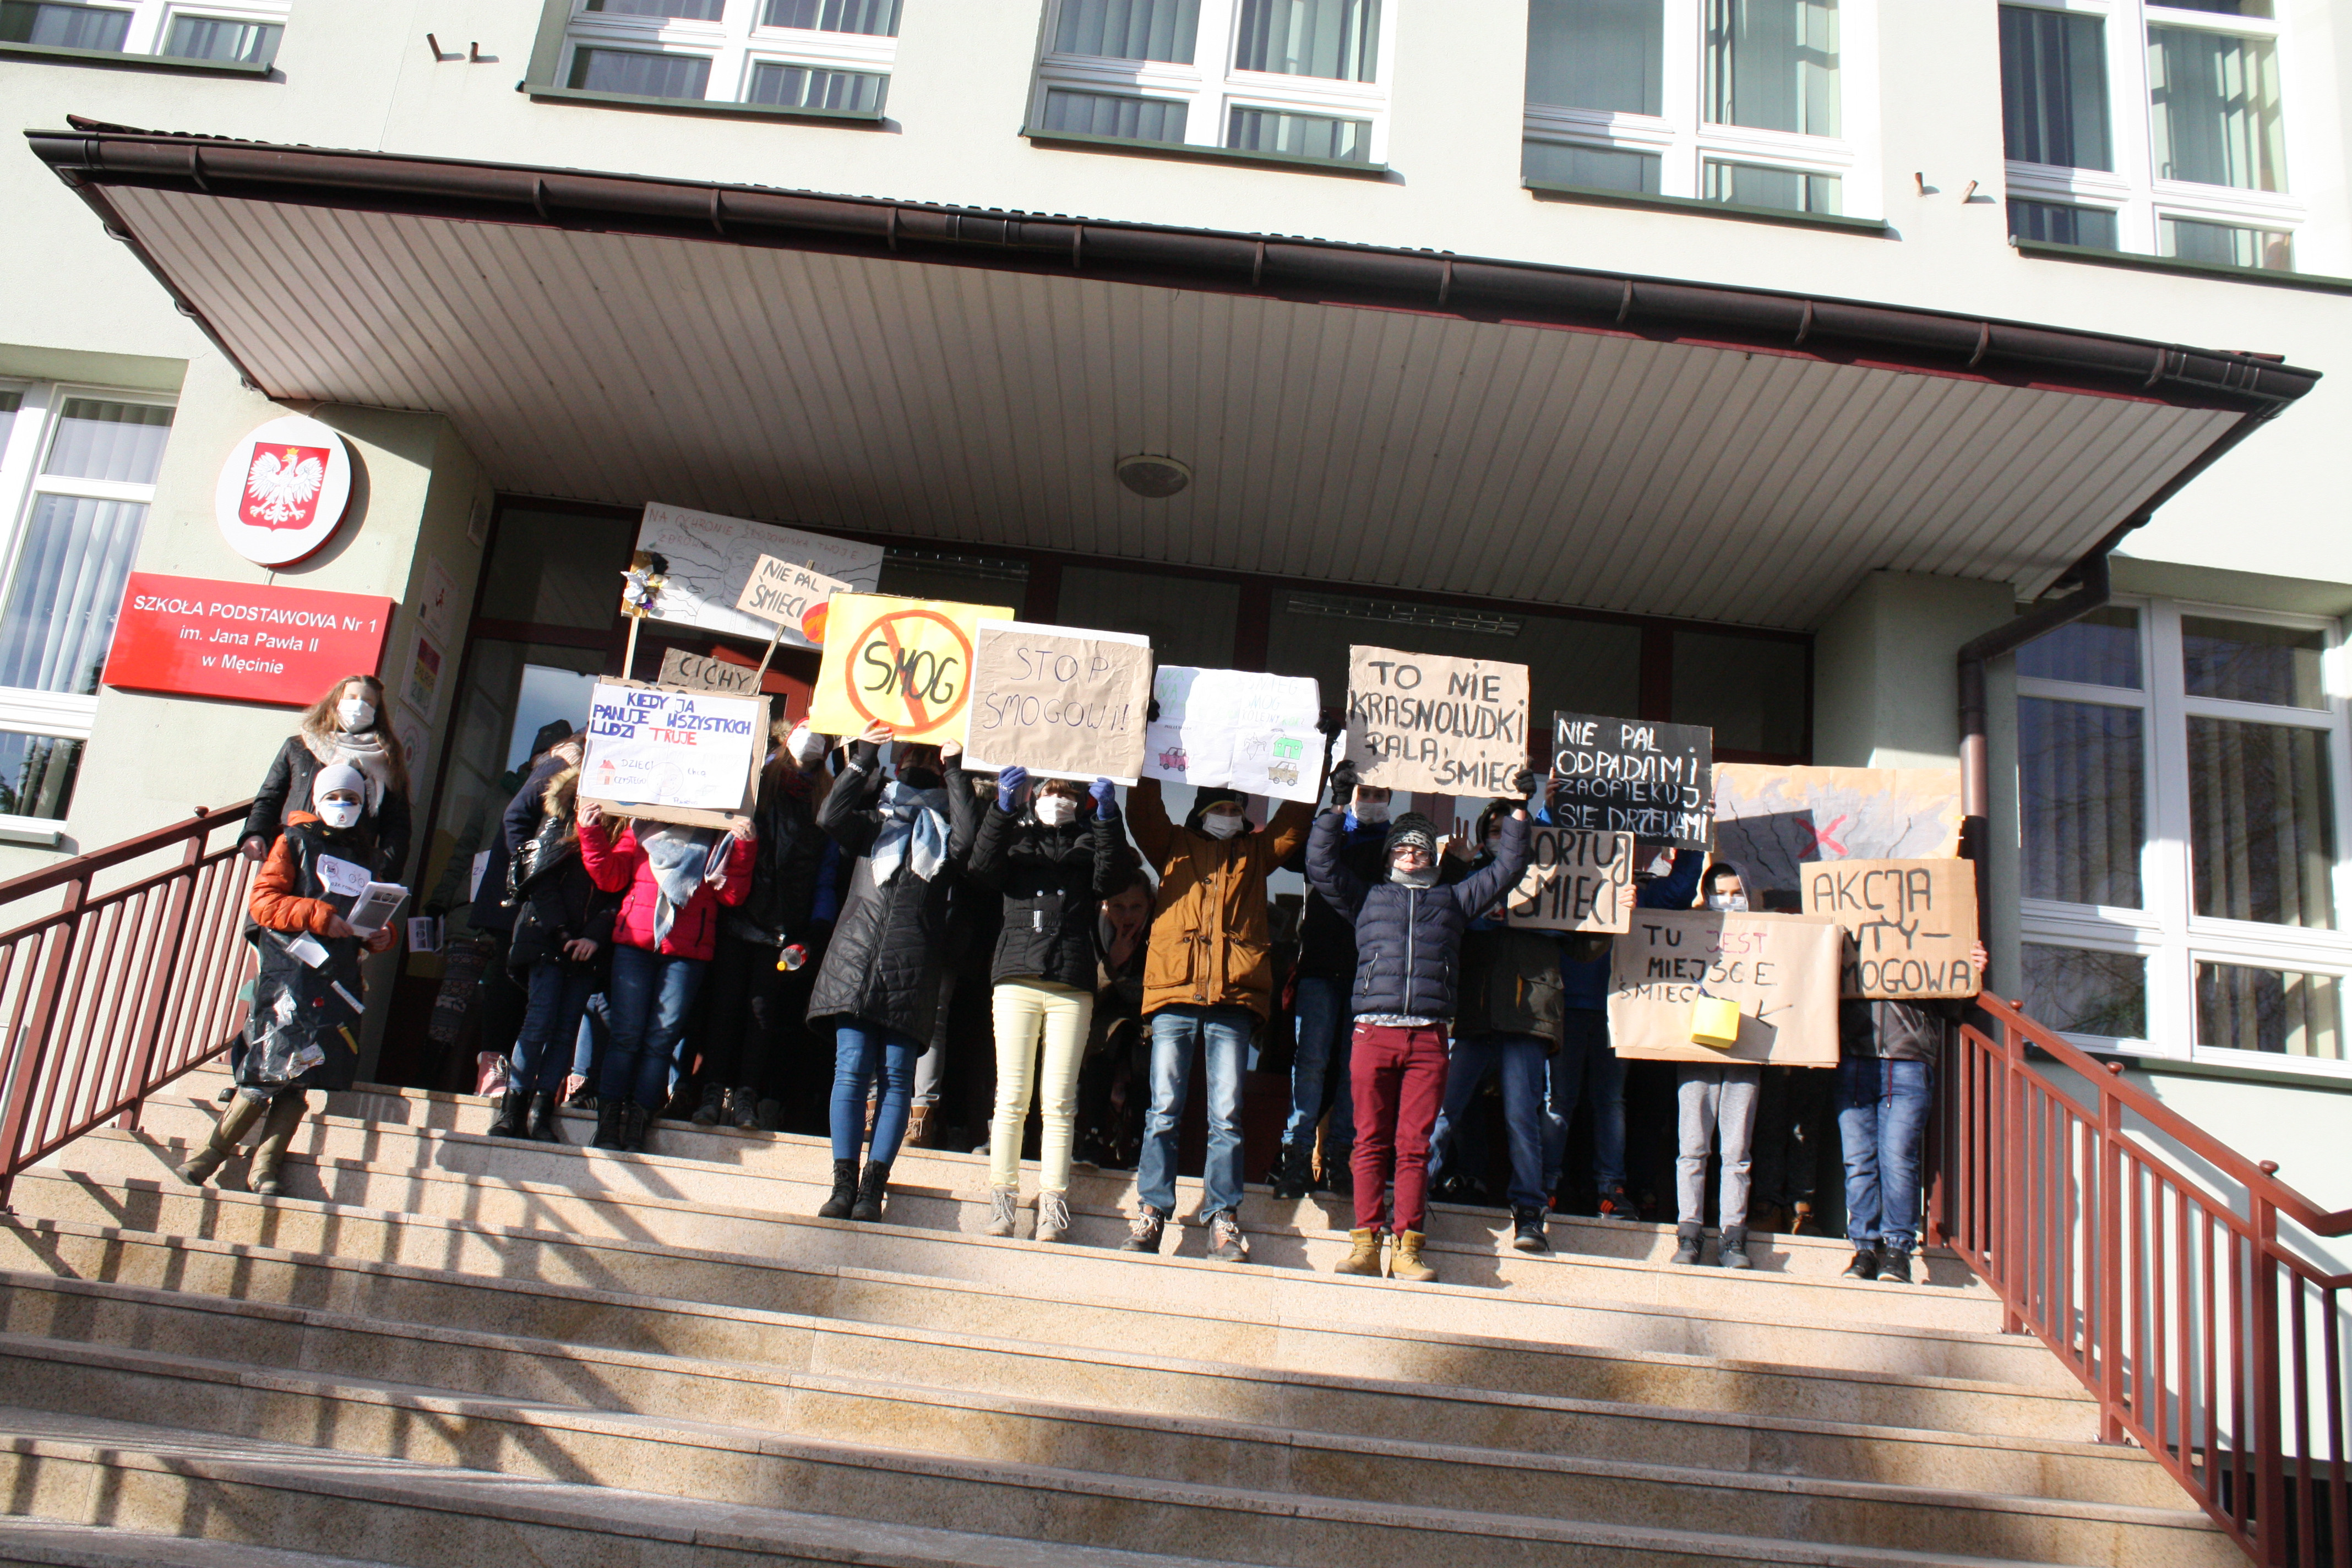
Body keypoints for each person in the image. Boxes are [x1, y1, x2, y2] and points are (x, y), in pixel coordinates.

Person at [1308, 760, 1533, 1283]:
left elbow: (1507, 870)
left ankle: (1407, 1246)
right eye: (1403, 848)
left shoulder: (1453, 900)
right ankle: (1366, 1243)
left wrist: (1521, 811)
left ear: (1433, 856)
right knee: (1368, 1141)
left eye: (1421, 849)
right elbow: (1320, 864)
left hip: (1429, 1037)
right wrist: (1336, 804)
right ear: (1390, 855)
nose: (1411, 855)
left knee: (1414, 1146)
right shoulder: (1366, 898)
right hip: (1373, 1032)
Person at [1123, 776, 1317, 1262]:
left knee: (1226, 1116)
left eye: (1235, 809)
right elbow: (1142, 812)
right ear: (1201, 812)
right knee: (1163, 1110)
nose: (1228, 816)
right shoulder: (1172, 845)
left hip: (1232, 1000)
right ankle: (1151, 1211)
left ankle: (1222, 1217)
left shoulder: (1255, 853)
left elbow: (1293, 825)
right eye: (1220, 809)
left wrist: (1314, 764)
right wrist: (1144, 753)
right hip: (1175, 993)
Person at [181, 764, 399, 1194]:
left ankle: (265, 1169)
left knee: (302, 1077)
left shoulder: (368, 856)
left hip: (338, 979)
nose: (343, 805)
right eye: (334, 797)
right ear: (317, 800)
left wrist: (382, 935)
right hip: (291, 973)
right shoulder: (294, 840)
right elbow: (264, 904)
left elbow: (371, 915)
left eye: (353, 799)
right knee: (268, 1067)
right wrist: (320, 915)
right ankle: (208, 1157)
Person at [805, 723, 979, 1222]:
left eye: (927, 760)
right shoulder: (875, 820)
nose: (918, 766)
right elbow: (830, 816)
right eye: (912, 758)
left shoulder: (945, 829)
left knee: (897, 1079)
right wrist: (864, 757)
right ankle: (843, 1184)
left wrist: (955, 770)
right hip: (856, 959)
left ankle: (871, 1188)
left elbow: (968, 842)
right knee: (851, 1069)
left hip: (912, 965)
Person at [965, 765, 1126, 1243]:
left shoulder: (1089, 840)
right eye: (1050, 792)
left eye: (1067, 794)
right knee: (1012, 1096)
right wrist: (1001, 810)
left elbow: (1112, 878)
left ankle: (1053, 1203)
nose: (1059, 800)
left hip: (1070, 980)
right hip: (1017, 975)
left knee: (1059, 1100)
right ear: (1034, 796)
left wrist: (1108, 817)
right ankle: (1003, 1202)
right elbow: (981, 867)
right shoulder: (1017, 835)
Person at [576, 801, 757, 1154]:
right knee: (626, 1037)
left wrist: (745, 846)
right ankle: (608, 1125)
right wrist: (590, 831)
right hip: (635, 944)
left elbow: (732, 895)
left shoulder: (718, 834)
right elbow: (610, 876)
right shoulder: (642, 826)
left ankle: (638, 1125)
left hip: (686, 952)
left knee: (660, 1041)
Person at [1545, 841, 1703, 1221]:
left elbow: (1682, 888)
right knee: (1559, 1100)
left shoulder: (1641, 893)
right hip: (1565, 1005)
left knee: (1609, 1102)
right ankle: (1544, 1186)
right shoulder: (1562, 887)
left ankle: (1611, 1190)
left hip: (1618, 1009)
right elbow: (1545, 840)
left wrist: (1694, 832)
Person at [1434, 797, 1563, 1254]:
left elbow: (1579, 938)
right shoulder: (1470, 879)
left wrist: (1612, 914)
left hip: (1527, 1017)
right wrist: (1455, 867)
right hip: (1474, 1015)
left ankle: (1529, 1211)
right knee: (1442, 1111)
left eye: (1509, 829)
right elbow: (1439, 917)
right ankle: (1410, 1196)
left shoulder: (1551, 882)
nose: (1501, 837)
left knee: (1522, 1119)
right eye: (1494, 831)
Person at [694, 720, 837, 1130]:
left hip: (784, 928)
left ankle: (746, 1097)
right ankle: (711, 1091)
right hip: (740, 914)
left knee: (762, 1014)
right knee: (724, 1007)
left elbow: (826, 875)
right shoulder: (759, 783)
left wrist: (815, 931)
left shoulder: (825, 801)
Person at [1838, 938, 1989, 1283]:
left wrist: (1970, 971)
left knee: (1898, 1156)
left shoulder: (1925, 934)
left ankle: (1897, 1251)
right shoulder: (1851, 929)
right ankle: (1865, 1249)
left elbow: (1952, 1004)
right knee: (1858, 1160)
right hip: (1854, 1057)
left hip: (1908, 1059)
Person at [1274, 767, 1391, 1199]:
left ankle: (1342, 1157)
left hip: (1370, 975)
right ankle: (1297, 1157)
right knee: (1311, 1063)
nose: (1371, 801)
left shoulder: (1395, 846)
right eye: (1364, 793)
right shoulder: (1329, 833)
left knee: (1354, 1070)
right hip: (1321, 969)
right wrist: (1334, 809)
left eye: (1378, 794)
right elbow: (1290, 856)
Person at [491, 754, 614, 1144]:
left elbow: (618, 891)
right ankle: (512, 1109)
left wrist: (594, 935)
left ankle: (542, 1112)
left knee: (565, 1031)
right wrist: (562, 932)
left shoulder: (619, 833)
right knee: (539, 1021)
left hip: (586, 947)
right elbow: (539, 881)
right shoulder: (557, 821)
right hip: (546, 937)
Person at [1672, 862, 1765, 1268]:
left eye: (1736, 893)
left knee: (1737, 1150)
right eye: (1719, 893)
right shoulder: (1688, 930)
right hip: (1698, 1051)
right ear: (1706, 894)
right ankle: (1689, 1233)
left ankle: (1733, 1237)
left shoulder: (1767, 934)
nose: (1728, 901)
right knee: (1692, 1146)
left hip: (1746, 1050)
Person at [242, 675, 412, 879]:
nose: (359, 705)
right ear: (335, 702)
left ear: (377, 711)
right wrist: (255, 833)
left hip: (351, 864)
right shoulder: (299, 747)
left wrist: (386, 867)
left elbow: (397, 823)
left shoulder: (387, 760)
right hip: (294, 854)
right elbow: (271, 796)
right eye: (351, 698)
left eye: (368, 701)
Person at [1074, 864, 1153, 1170]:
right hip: (1104, 1018)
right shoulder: (1093, 928)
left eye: (1136, 907)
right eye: (1118, 907)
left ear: (1149, 905)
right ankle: (1092, 1136)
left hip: (1147, 1016)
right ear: (1106, 905)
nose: (1127, 916)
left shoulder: (1159, 931)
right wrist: (1112, 963)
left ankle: (1138, 1142)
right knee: (1107, 1040)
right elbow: (1085, 991)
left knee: (1145, 1052)